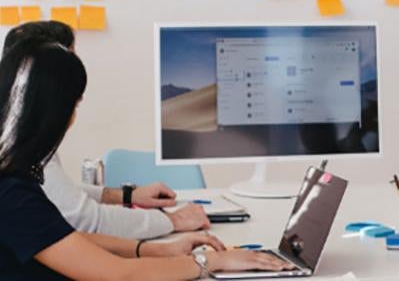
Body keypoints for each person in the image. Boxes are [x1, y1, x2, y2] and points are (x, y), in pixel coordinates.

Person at [0, 39, 292, 279]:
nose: (73, 119)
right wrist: (211, 262)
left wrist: (156, 250)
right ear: (53, 113)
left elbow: (61, 239)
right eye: (73, 105)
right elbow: (119, 275)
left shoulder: (16, 176)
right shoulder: (12, 194)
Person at [3, 21, 209, 239]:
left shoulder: (22, 136)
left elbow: (59, 195)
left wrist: (127, 196)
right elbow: (86, 220)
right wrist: (173, 221)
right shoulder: (19, 152)